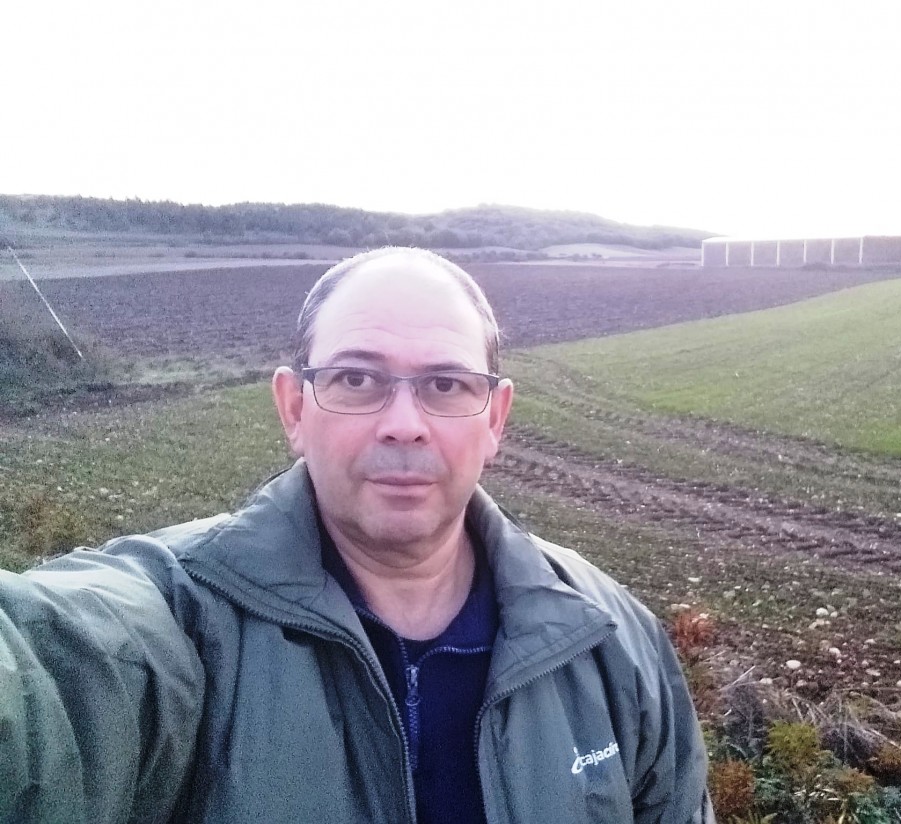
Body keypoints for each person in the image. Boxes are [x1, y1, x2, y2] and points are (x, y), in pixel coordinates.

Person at [0, 247, 713, 823]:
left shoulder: (613, 638)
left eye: (445, 385)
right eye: (356, 379)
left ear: (494, 418)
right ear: (293, 409)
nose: (403, 422)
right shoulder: (172, 623)